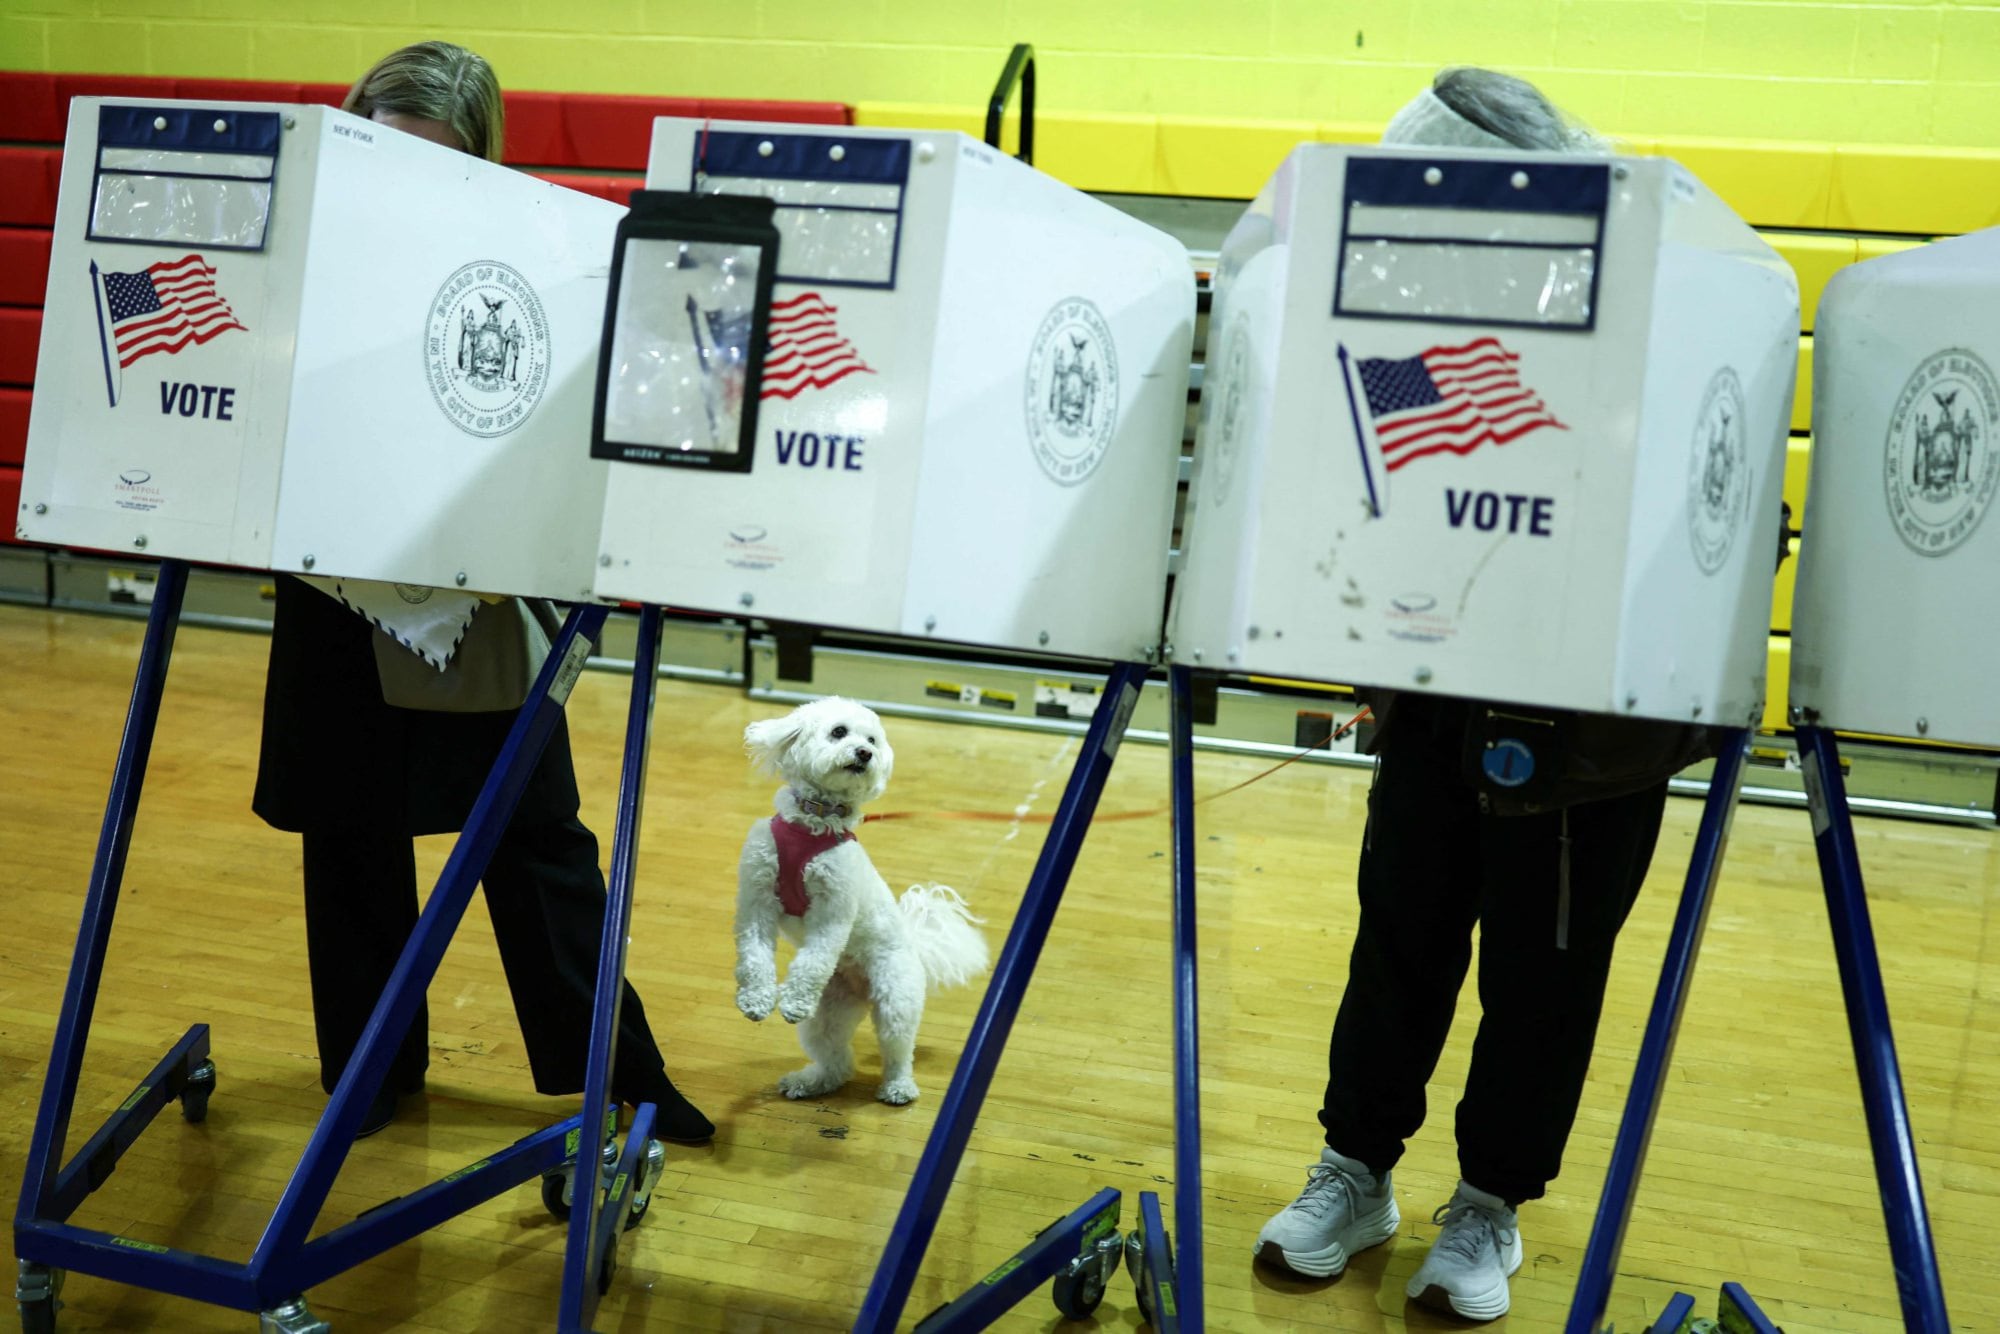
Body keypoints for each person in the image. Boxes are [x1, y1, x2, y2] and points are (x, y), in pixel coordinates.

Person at [1253, 67, 1716, 1320]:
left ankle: (1490, 1206)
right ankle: (1356, 1169)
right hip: (1441, 691)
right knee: (1395, 941)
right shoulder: (1423, 305)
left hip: (1588, 740)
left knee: (1542, 979)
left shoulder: (1663, 292)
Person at [254, 40, 711, 1145]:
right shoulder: (303, 233)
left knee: (536, 835)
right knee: (350, 836)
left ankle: (622, 1073)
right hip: (335, 576)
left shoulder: (524, 253)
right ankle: (369, 1071)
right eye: (380, 149)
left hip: (478, 579)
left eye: (430, 159)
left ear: (476, 163)